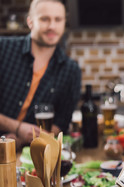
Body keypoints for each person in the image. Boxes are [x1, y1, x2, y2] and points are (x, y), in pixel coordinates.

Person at [0, 0, 81, 148]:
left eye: (58, 19)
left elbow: (60, 124)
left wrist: (23, 139)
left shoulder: (71, 70)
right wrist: (17, 128)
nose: (52, 26)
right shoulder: (3, 48)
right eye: (45, 19)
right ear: (30, 22)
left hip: (29, 155)